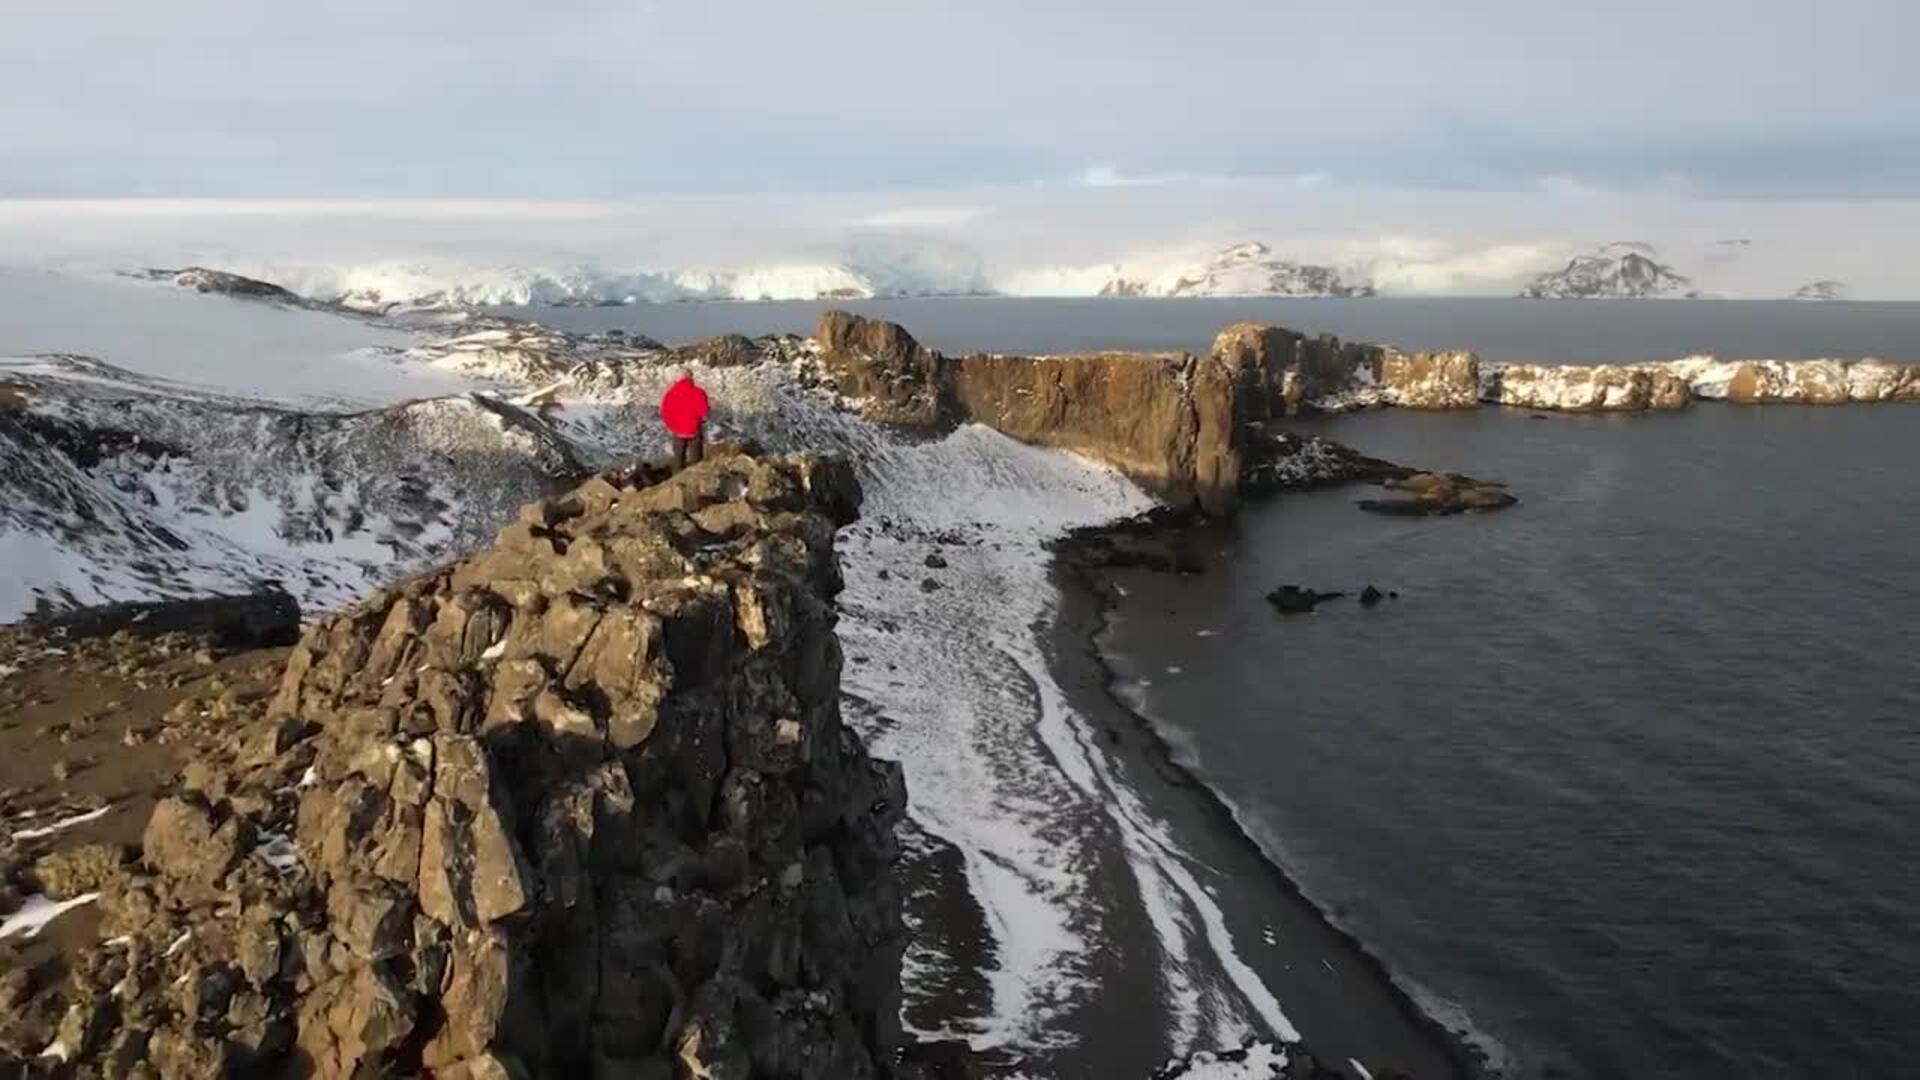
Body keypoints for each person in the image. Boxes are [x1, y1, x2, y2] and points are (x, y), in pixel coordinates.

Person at [659, 367, 710, 471]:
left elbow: (665, 412)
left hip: (677, 432)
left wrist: (670, 427)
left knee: (678, 460)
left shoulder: (670, 394)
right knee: (696, 461)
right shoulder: (699, 392)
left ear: (677, 379)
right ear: (690, 378)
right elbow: (703, 413)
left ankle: (677, 479)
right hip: (694, 431)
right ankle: (696, 478)